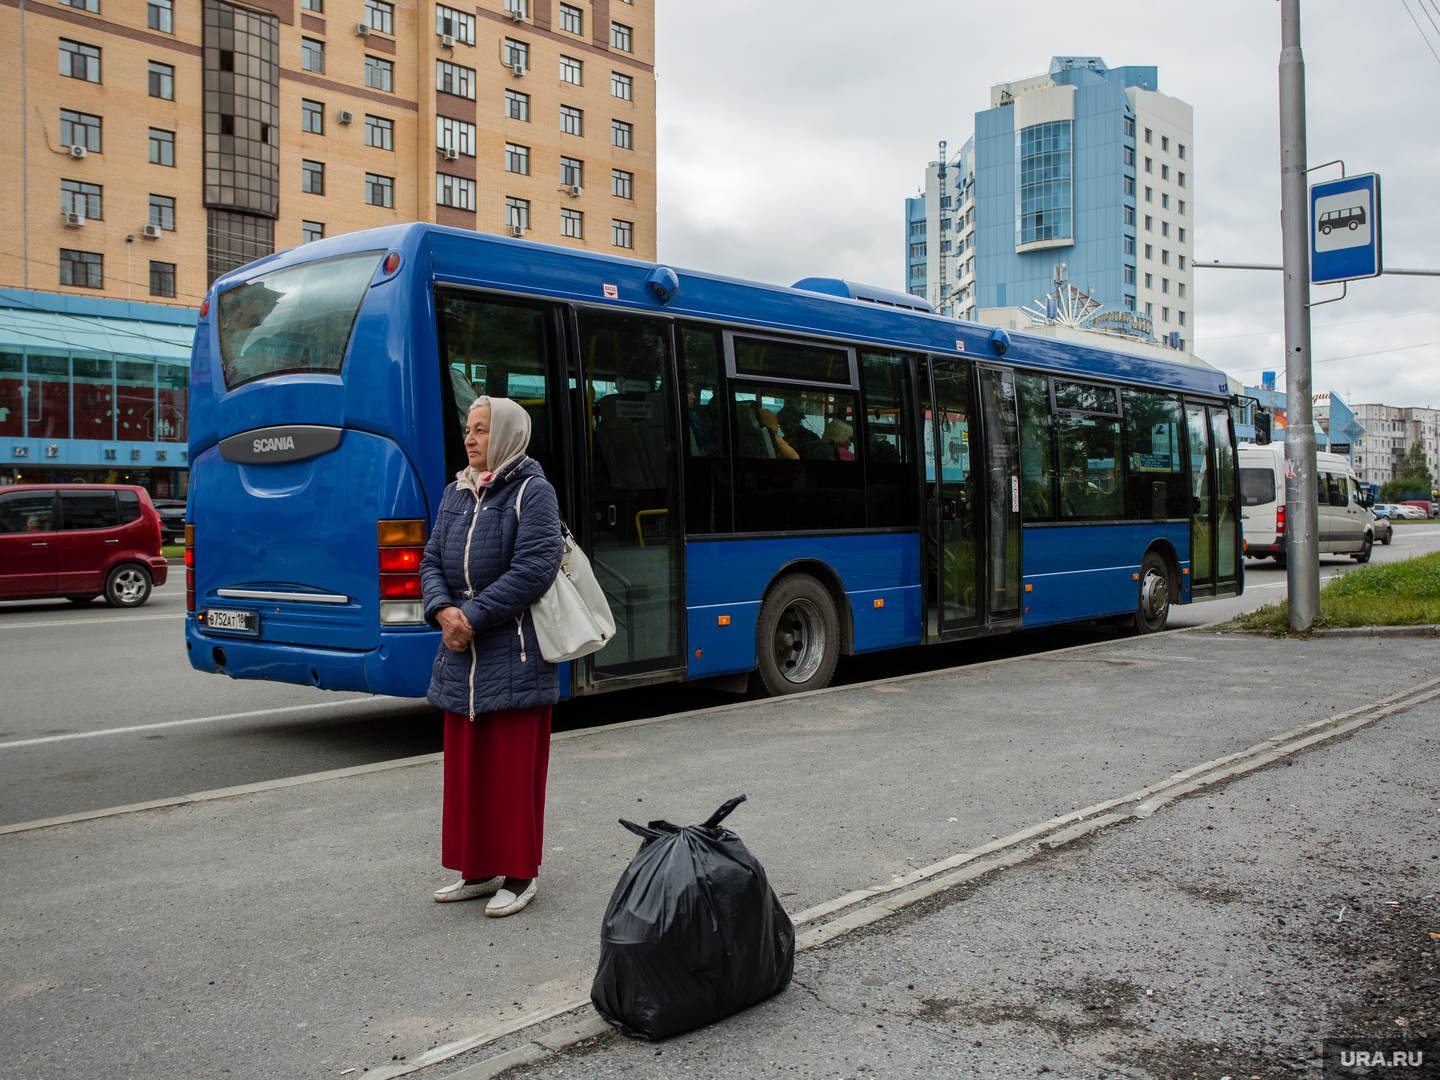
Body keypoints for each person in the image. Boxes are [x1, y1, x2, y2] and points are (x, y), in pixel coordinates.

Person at [421, 396, 564, 918]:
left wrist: (472, 617)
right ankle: (477, 870)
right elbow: (431, 558)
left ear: (505, 435)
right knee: (469, 768)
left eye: (481, 430)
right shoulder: (456, 493)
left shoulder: (533, 491)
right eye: (467, 428)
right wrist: (442, 611)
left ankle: (521, 874)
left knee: (511, 768)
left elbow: (535, 568)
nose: (470, 438)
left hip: (515, 652)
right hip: (461, 653)